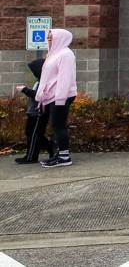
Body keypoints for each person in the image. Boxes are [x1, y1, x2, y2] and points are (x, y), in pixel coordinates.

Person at [35, 29, 78, 168]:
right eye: (48, 37)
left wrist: (60, 99)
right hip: (52, 96)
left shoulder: (66, 54)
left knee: (59, 125)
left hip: (60, 97)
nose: (48, 39)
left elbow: (65, 78)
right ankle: (59, 154)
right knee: (56, 125)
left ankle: (64, 157)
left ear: (60, 38)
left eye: (51, 36)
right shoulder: (53, 54)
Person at [13, 58, 55, 164]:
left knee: (34, 134)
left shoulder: (45, 82)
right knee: (31, 133)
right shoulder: (39, 81)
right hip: (33, 111)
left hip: (39, 112)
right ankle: (50, 147)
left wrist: (25, 90)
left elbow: (39, 96)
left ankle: (31, 157)